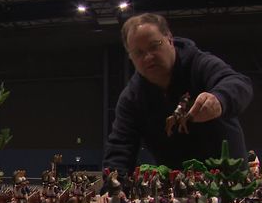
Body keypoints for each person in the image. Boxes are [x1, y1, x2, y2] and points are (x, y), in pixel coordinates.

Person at [103, 13, 253, 176]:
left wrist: (220, 99)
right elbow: (120, 147)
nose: (148, 57)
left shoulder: (199, 63)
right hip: (177, 185)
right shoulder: (131, 98)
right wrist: (112, 187)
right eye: (138, 53)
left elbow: (238, 82)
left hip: (227, 178)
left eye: (154, 46)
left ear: (169, 39)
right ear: (130, 57)